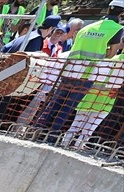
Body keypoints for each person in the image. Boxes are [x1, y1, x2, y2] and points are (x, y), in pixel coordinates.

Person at [35, 0, 124, 139]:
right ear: (122, 13)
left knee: (54, 103)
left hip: (69, 70)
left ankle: (35, 130)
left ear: (108, 10)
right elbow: (111, 54)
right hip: (86, 75)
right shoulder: (116, 29)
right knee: (67, 108)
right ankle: (49, 137)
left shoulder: (87, 27)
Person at [61, 52, 124, 147]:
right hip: (106, 101)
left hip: (90, 97)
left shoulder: (110, 58)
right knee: (89, 130)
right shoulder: (116, 60)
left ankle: (64, 143)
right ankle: (78, 146)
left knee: (76, 125)